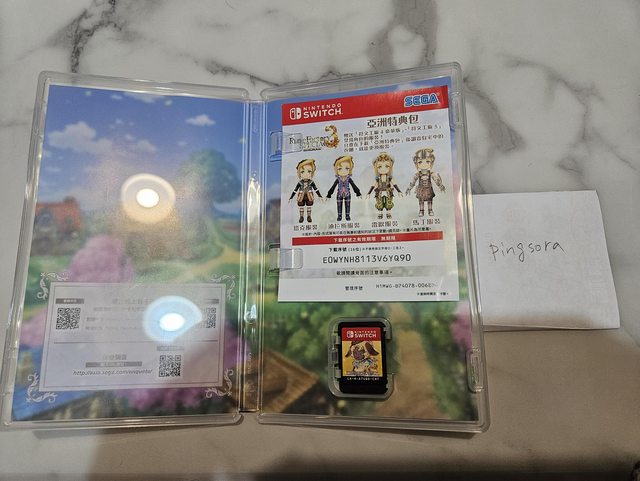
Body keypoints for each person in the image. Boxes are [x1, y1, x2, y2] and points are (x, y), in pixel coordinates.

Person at [405, 148, 445, 217]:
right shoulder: (417, 174)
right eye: (420, 162)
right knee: (421, 201)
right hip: (421, 190)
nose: (424, 164)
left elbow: (436, 180)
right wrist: (409, 188)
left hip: (429, 189)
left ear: (431, 162)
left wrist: (441, 186)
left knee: (430, 200)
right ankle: (421, 211)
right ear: (416, 163)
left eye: (427, 161)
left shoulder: (431, 173)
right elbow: (413, 182)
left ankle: (430, 210)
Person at [366, 152, 403, 219]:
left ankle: (388, 213)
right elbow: (373, 185)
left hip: (388, 192)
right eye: (380, 166)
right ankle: (380, 213)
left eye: (387, 166)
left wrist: (399, 191)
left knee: (388, 202)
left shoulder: (389, 178)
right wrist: (369, 193)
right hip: (379, 192)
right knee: (379, 202)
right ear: (376, 168)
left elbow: (394, 184)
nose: (383, 169)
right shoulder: (377, 178)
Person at [326, 155, 361, 222]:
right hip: (339, 194)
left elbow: (353, 185)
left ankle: (347, 216)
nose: (343, 171)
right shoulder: (338, 179)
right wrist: (329, 194)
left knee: (348, 205)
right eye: (340, 169)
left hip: (347, 193)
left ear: (350, 169)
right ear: (336, 170)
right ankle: (339, 216)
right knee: (339, 205)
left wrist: (358, 192)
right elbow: (333, 186)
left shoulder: (349, 179)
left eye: (347, 168)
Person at [288, 158, 323, 223]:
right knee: (301, 206)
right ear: (299, 173)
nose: (306, 174)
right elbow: (295, 190)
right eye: (302, 172)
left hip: (309, 195)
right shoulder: (300, 182)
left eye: (309, 171)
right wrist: (291, 197)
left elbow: (316, 189)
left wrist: (319, 196)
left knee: (309, 206)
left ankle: (309, 216)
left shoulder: (311, 182)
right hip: (301, 195)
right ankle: (301, 217)